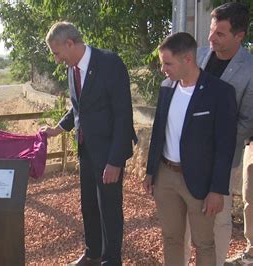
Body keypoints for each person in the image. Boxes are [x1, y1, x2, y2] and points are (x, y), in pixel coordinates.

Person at [42, 21, 137, 265]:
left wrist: (115, 161)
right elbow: (78, 108)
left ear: (70, 43)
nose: (56, 59)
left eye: (57, 52)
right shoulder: (72, 69)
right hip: (86, 150)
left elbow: (123, 114)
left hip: (109, 152)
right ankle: (93, 253)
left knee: (110, 208)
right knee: (89, 205)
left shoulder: (110, 63)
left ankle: (111, 260)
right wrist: (57, 129)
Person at [143, 32, 237, 265]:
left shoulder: (220, 92)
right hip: (165, 176)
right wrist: (150, 171)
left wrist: (217, 190)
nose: (163, 69)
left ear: (188, 59)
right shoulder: (166, 87)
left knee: (204, 243)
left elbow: (225, 146)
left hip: (200, 182)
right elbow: (158, 131)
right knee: (171, 238)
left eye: (168, 63)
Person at [182, 3, 253, 265]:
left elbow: (246, 121)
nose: (211, 38)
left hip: (220, 157)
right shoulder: (198, 55)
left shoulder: (250, 69)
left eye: (220, 34)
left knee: (217, 219)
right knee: (186, 217)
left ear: (239, 35)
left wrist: (217, 148)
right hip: (184, 154)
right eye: (211, 31)